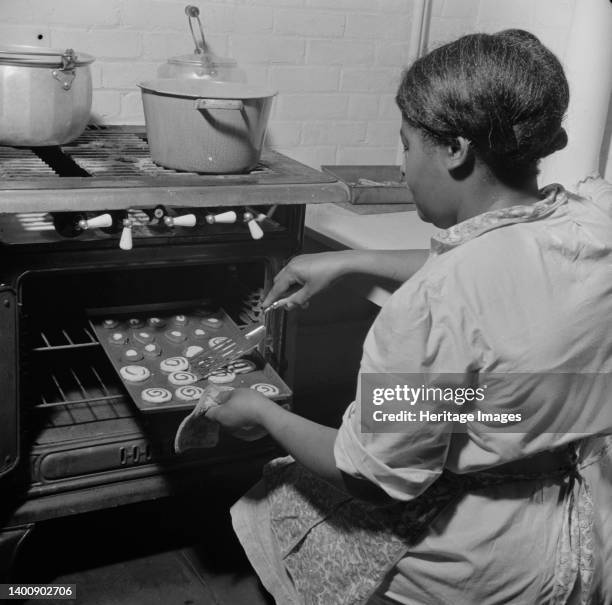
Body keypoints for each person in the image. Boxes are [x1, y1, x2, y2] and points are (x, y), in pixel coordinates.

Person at [205, 29, 612, 604]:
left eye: (406, 146)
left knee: (281, 496)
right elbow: (506, 274)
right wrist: (354, 260)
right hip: (580, 525)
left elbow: (366, 475)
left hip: (476, 562)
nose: (401, 169)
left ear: (455, 149)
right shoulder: (593, 224)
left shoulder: (431, 308)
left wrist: (261, 412)